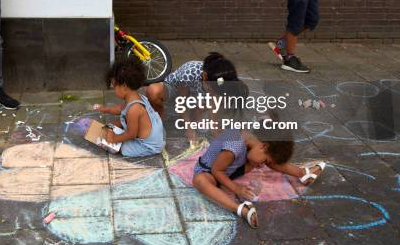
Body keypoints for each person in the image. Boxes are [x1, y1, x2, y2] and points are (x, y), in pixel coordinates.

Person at [192, 128, 326, 228]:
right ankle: (241, 209)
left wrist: (263, 161)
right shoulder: (234, 145)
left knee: (271, 159)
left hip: (233, 168)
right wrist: (236, 189)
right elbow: (217, 170)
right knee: (199, 181)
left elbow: (267, 154)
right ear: (264, 146)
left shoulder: (255, 145)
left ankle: (302, 173)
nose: (263, 166)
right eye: (264, 161)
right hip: (210, 171)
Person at [95, 58, 165, 157]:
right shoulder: (136, 97)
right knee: (117, 122)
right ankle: (113, 131)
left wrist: (114, 139)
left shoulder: (133, 109)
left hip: (148, 145)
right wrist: (106, 109)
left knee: (123, 149)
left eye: (114, 86)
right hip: (153, 131)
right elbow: (120, 109)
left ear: (124, 87)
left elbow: (131, 134)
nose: (113, 89)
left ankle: (116, 139)